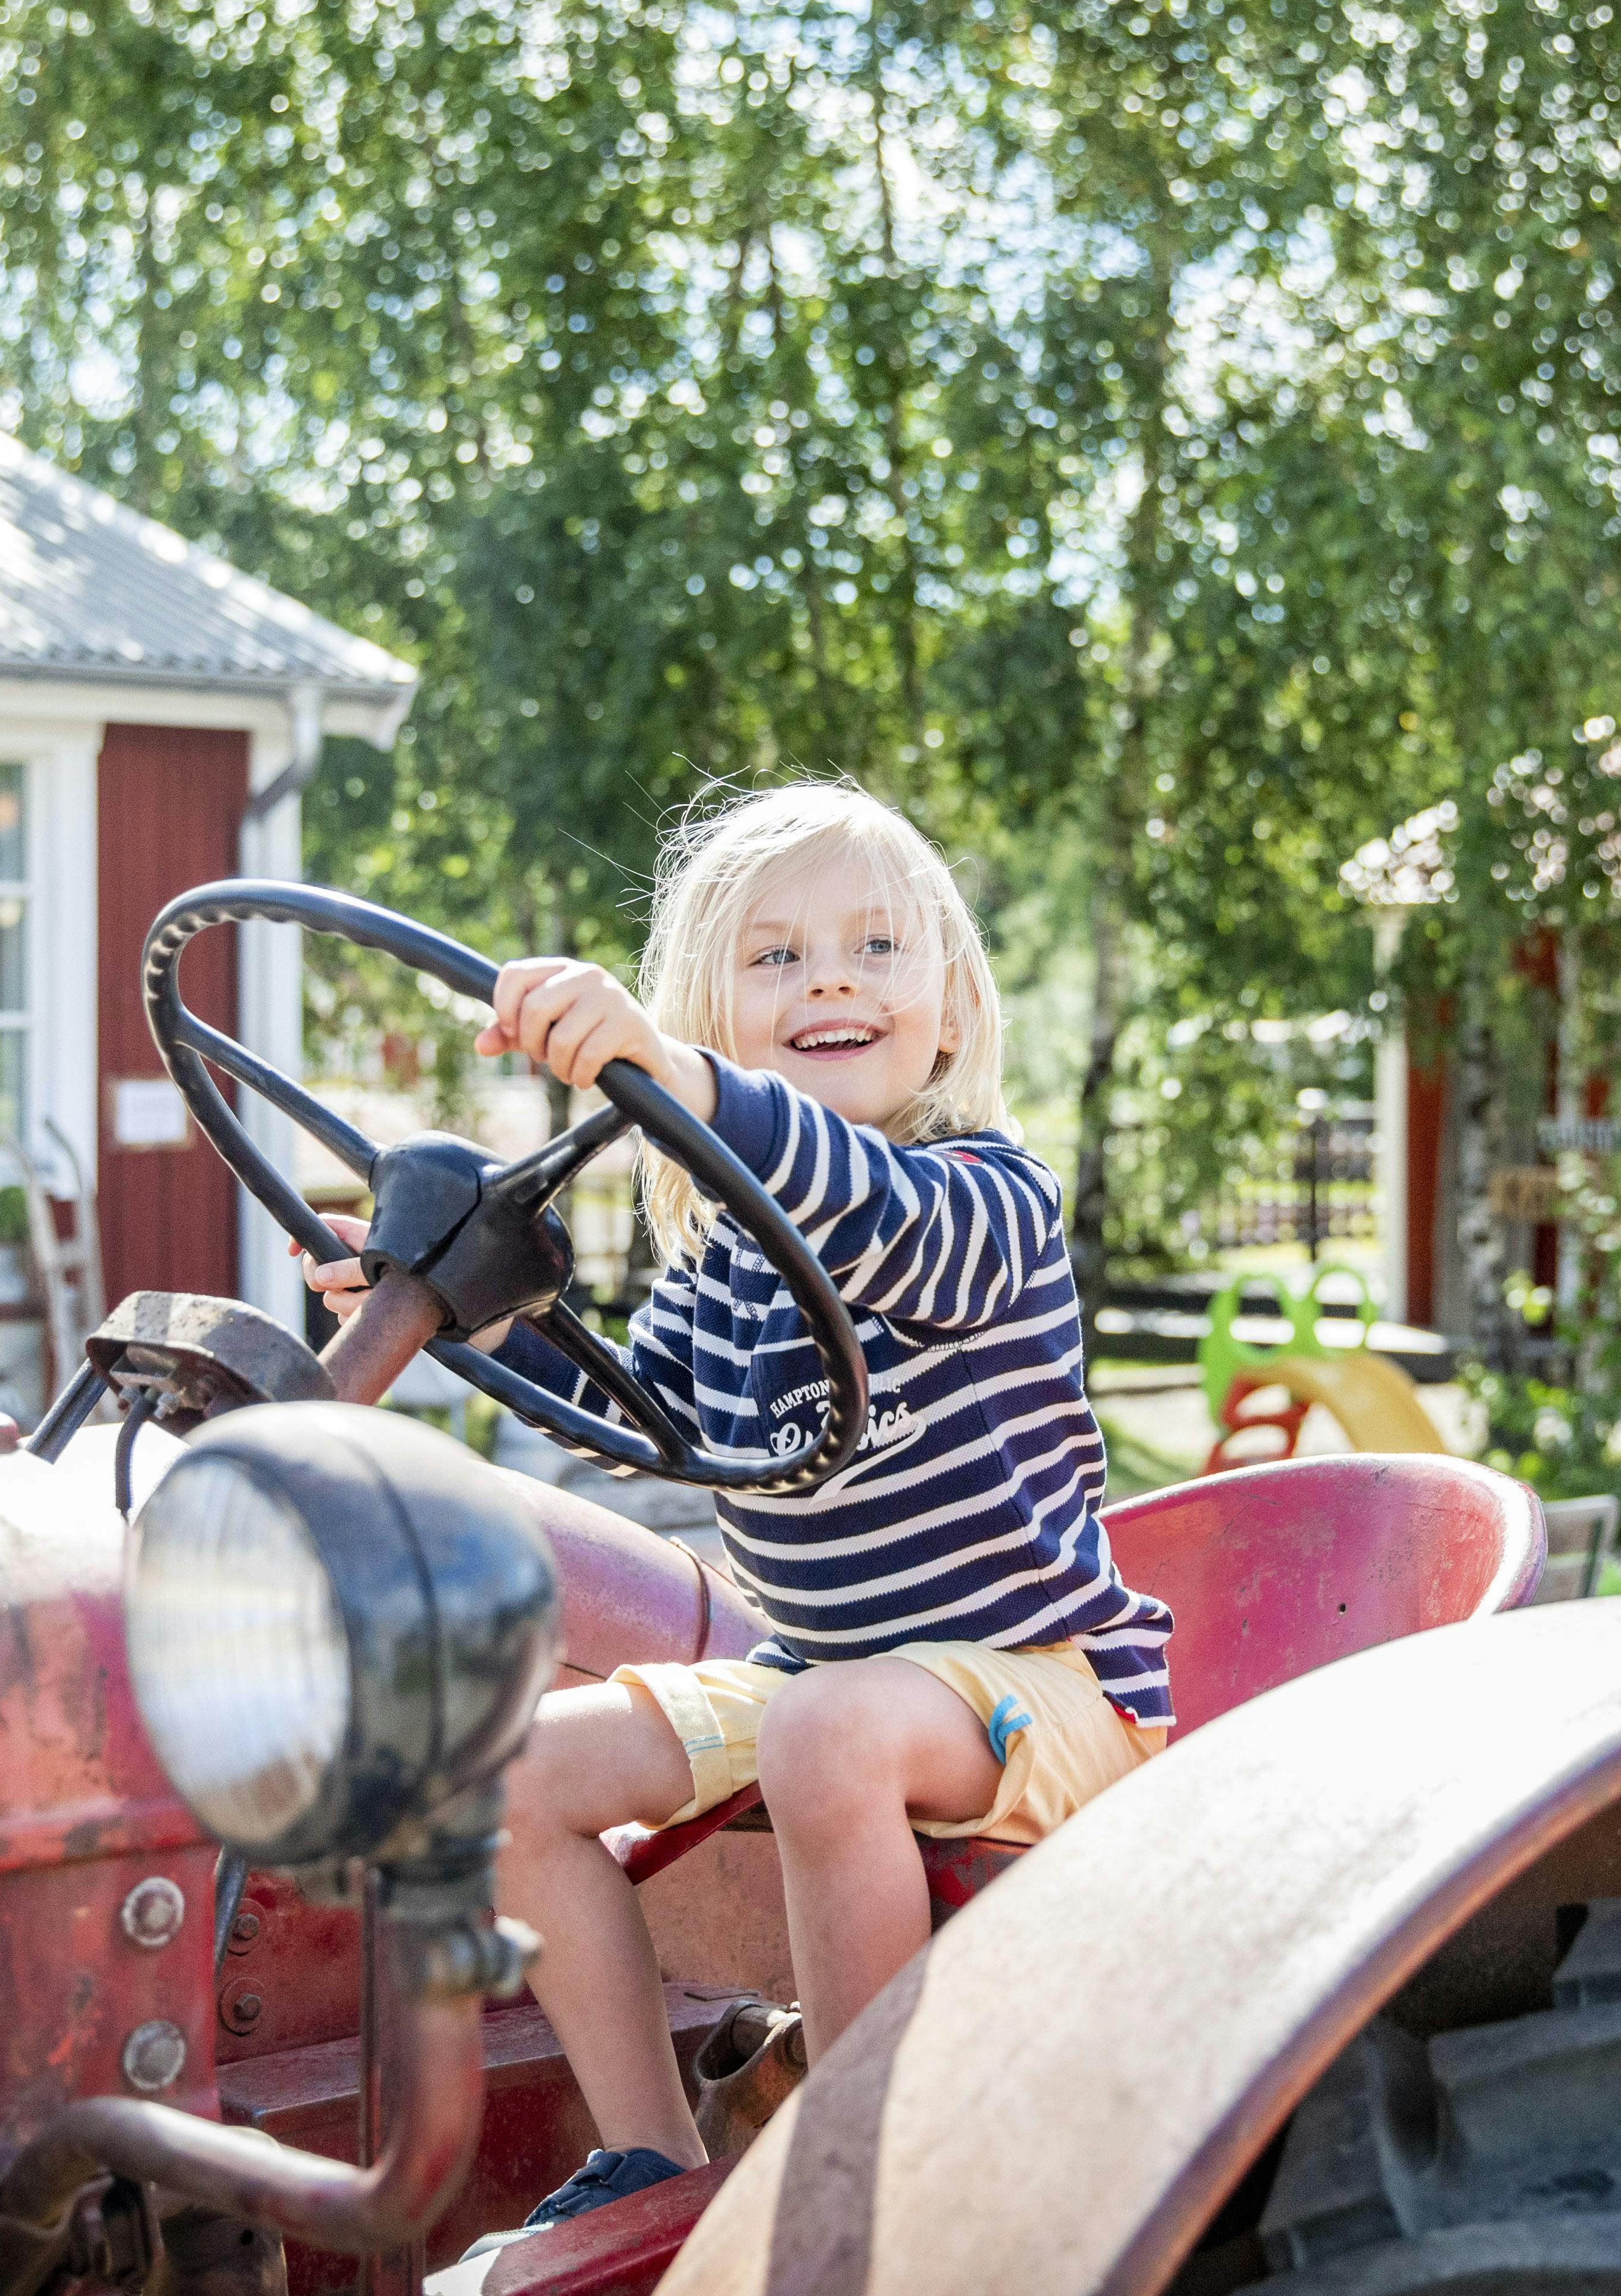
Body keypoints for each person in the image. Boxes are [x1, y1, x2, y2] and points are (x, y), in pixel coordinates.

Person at [304, 781, 1174, 2252]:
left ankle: (851, 2164)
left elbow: (880, 1218)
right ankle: (650, 2153)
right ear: (709, 1006)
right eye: (773, 958)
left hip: (1045, 1682)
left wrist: (703, 1091)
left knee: (823, 1733)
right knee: (499, 1770)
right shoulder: (726, 1269)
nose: (829, 976)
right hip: (821, 1670)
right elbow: (645, 1419)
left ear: (952, 1009)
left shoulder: (990, 1201)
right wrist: (453, 1312)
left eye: (875, 946)